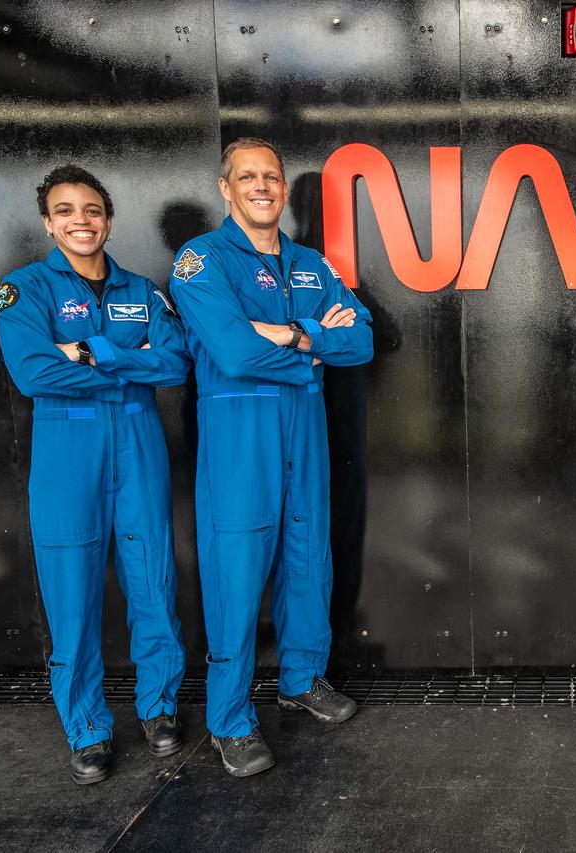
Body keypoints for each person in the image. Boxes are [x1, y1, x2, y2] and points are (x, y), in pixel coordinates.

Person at [169, 138, 373, 778]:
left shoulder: (311, 263)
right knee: (236, 574)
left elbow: (361, 339)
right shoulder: (200, 261)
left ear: (285, 190)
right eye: (247, 177)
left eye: (273, 177)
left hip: (303, 432)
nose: (263, 186)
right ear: (225, 188)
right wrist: (311, 342)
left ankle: (302, 678)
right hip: (239, 436)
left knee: (308, 554)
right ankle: (230, 721)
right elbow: (231, 352)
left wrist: (292, 334)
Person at [0, 165, 189, 784]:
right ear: (48, 223)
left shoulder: (142, 290)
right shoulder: (24, 290)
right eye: (66, 210)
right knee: (71, 595)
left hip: (137, 442)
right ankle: (87, 727)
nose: (81, 220)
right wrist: (128, 361)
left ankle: (159, 709)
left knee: (152, 581)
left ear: (108, 218)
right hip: (66, 449)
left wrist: (88, 350)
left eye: (92, 209)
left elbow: (176, 363)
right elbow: (34, 374)